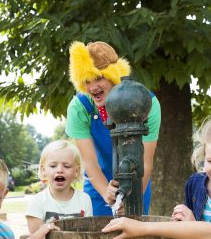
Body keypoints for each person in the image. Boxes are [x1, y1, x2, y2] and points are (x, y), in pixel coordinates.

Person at [65, 41, 161, 215]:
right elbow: (90, 164)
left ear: (114, 75)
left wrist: (133, 198)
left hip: (137, 179)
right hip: (98, 184)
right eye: (87, 81)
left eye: (99, 78)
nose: (93, 87)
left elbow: (145, 163)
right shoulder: (80, 107)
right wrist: (106, 193)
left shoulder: (147, 103)